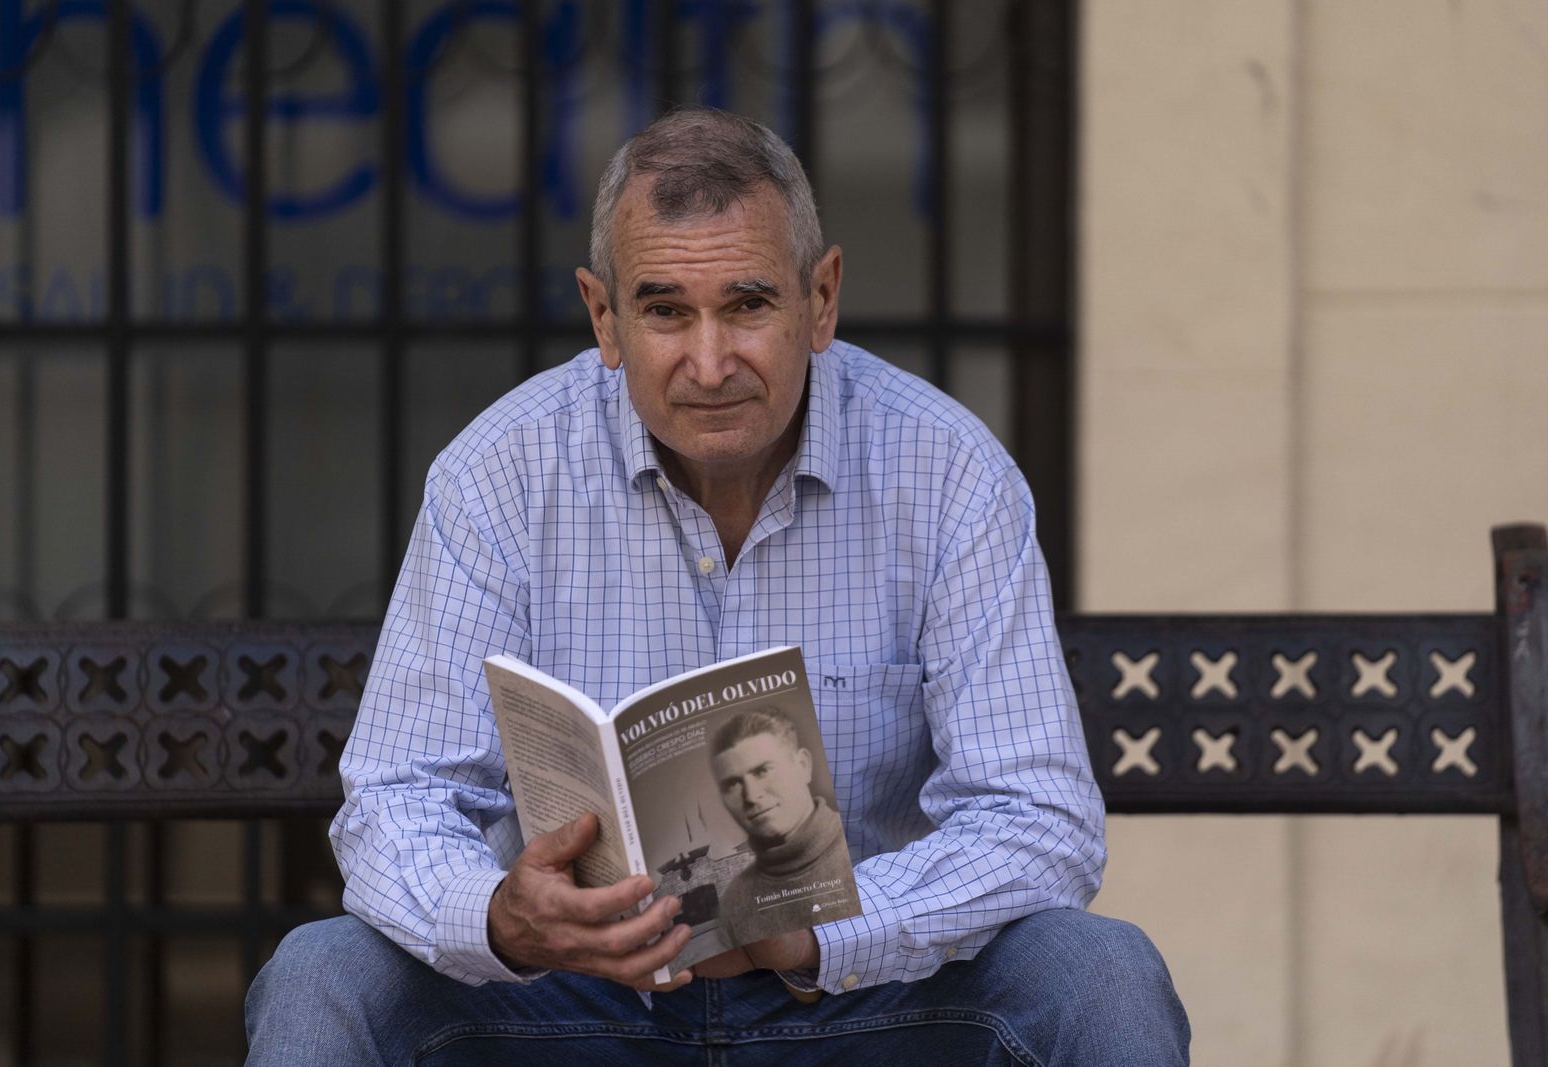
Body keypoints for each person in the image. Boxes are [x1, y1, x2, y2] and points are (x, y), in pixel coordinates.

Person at [245, 106, 1189, 1065]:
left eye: (747, 305)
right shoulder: (500, 473)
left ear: (821, 300)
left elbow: (1038, 816)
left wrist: (824, 936)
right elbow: (394, 799)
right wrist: (502, 916)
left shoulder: (945, 473)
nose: (709, 363)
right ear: (603, 316)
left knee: (1100, 974)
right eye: (664, 311)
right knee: (323, 972)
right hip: (578, 1005)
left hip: (859, 1003)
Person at [707, 707, 859, 946]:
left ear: (803, 765)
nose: (751, 796)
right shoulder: (734, 902)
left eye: (763, 771)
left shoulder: (859, 848)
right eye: (733, 784)